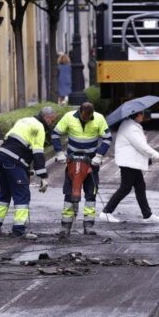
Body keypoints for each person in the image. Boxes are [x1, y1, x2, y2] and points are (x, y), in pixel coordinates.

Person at [0, 106, 59, 238]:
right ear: (47, 118)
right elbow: (38, 154)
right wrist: (43, 176)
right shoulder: (39, 128)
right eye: (52, 120)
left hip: (2, 156)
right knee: (22, 195)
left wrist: (24, 167)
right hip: (14, 161)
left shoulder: (24, 120)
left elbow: (10, 139)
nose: (52, 123)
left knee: (5, 193)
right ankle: (18, 230)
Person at [51, 102, 112, 237]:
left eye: (89, 117)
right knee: (69, 193)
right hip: (72, 160)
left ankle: (88, 225)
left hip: (91, 162)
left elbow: (107, 138)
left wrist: (99, 155)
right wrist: (59, 153)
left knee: (91, 194)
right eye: (84, 117)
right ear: (79, 112)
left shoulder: (99, 118)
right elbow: (55, 134)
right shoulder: (69, 117)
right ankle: (66, 226)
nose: (86, 119)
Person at [99, 111, 159, 222]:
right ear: (136, 115)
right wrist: (157, 155)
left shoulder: (131, 125)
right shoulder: (130, 128)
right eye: (142, 114)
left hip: (131, 161)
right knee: (125, 188)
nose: (143, 115)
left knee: (140, 186)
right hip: (129, 162)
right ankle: (106, 212)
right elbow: (141, 146)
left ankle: (147, 215)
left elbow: (138, 142)